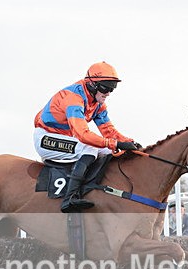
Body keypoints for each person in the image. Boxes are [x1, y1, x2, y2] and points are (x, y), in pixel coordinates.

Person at [34, 61, 141, 213]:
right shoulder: (73, 99)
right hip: (46, 139)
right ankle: (69, 199)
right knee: (90, 149)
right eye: (106, 87)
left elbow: (108, 131)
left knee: (110, 152)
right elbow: (82, 134)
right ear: (91, 84)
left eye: (113, 88)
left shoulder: (98, 103)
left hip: (66, 138)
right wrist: (114, 143)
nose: (109, 92)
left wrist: (128, 142)